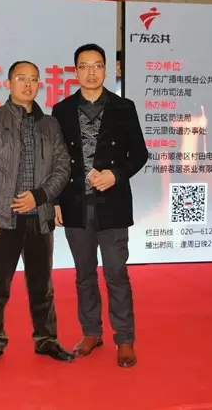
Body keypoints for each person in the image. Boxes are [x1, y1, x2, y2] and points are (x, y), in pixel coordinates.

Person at [0, 60, 73, 367]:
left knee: (42, 286)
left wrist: (39, 197)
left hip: (39, 217)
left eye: (34, 79)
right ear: (9, 83)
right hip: (2, 219)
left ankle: (46, 339)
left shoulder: (50, 125)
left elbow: (62, 167)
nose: (28, 85)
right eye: (21, 78)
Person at [52, 44, 149, 368]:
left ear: (106, 70)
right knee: (84, 274)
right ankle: (91, 332)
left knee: (116, 273)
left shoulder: (124, 107)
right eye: (84, 66)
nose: (91, 72)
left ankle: (125, 338)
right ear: (75, 71)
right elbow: (56, 160)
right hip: (75, 205)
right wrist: (55, 200)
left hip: (113, 205)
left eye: (97, 65)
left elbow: (139, 154)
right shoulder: (62, 110)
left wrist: (115, 175)